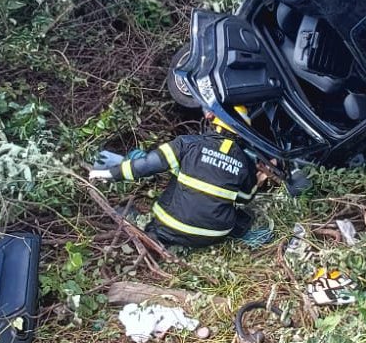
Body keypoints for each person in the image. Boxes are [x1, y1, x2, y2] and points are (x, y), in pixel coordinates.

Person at [88, 106, 272, 250]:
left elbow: (147, 165)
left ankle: (144, 226)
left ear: (214, 121)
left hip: (169, 227)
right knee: (241, 215)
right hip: (214, 234)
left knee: (176, 183)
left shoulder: (187, 143)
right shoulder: (245, 161)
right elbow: (245, 198)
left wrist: (111, 174)